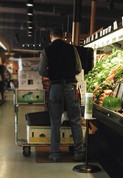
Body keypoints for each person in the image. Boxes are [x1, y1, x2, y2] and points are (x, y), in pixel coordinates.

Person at [39, 27, 85, 162]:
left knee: (55, 122)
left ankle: (55, 154)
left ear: (50, 36)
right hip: (71, 87)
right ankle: (79, 153)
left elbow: (42, 71)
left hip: (56, 87)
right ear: (63, 36)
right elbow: (78, 68)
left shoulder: (46, 51)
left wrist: (51, 73)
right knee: (75, 120)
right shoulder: (72, 49)